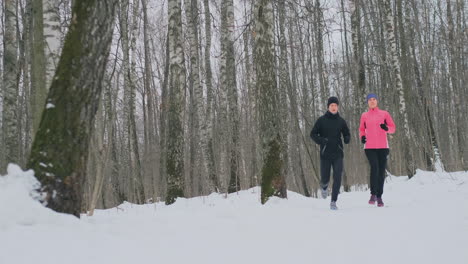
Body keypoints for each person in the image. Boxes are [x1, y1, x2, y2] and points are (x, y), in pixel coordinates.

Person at [311, 96, 350, 210]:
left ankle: (333, 201)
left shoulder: (341, 121)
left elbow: (346, 133)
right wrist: (322, 141)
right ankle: (324, 186)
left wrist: (347, 138)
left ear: (338, 107)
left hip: (338, 153)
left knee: (338, 176)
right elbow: (312, 134)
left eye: (335, 105)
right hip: (325, 154)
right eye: (331, 105)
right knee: (325, 177)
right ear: (328, 107)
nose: (333, 107)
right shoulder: (321, 120)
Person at [359, 93, 396, 207]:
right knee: (374, 167)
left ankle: (379, 197)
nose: (372, 101)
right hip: (369, 147)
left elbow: (392, 128)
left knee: (381, 171)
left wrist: (386, 128)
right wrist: (362, 137)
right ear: (367, 102)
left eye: (374, 99)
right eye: (370, 100)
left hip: (383, 147)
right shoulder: (364, 115)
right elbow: (361, 129)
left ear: (377, 101)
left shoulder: (384, 114)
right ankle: (373, 194)